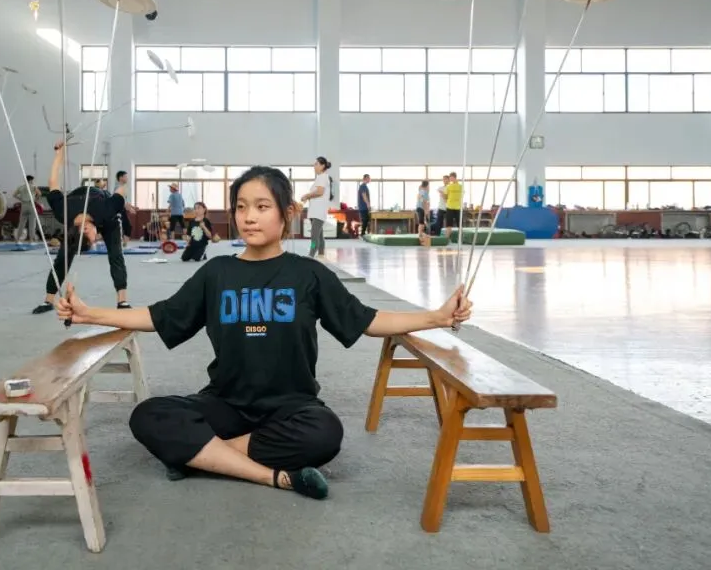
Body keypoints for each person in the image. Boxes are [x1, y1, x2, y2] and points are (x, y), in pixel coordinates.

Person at [55, 166, 473, 501]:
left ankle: (201, 455)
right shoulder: (217, 273)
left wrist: (437, 317)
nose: (249, 217)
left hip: (291, 406)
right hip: (226, 403)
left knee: (325, 434)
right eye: (241, 207)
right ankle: (276, 477)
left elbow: (366, 320)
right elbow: (161, 316)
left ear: (286, 212)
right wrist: (89, 314)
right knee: (148, 416)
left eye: (261, 206)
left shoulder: (308, 274)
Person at [32, 141, 130, 317]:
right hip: (88, 206)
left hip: (107, 215)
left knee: (116, 254)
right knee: (63, 258)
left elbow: (122, 189)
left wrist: (59, 154)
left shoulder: (99, 210)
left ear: (84, 229)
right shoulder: (65, 216)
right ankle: (48, 300)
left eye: (93, 238)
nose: (97, 238)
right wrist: (59, 154)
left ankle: (122, 301)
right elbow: (53, 182)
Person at [300, 156, 333, 259]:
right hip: (316, 211)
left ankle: (311, 254)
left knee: (314, 236)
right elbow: (317, 192)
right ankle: (321, 254)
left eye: (316, 164)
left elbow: (320, 192)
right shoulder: (321, 177)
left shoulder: (322, 177)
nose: (314, 166)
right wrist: (307, 197)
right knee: (319, 235)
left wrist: (307, 195)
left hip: (318, 212)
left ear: (322, 166)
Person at [14, 175, 40, 242]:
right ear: (30, 180)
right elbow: (39, 194)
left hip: (24, 205)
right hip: (31, 205)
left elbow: (14, 195)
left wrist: (21, 199)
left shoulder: (20, 187)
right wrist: (35, 200)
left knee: (21, 224)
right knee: (32, 224)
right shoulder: (33, 187)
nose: (33, 182)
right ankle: (31, 240)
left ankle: (17, 239)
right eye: (32, 180)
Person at [114, 170, 136, 240]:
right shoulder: (119, 188)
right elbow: (121, 202)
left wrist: (132, 207)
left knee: (126, 228)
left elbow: (124, 201)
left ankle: (123, 244)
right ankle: (123, 245)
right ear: (121, 178)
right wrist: (130, 209)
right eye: (125, 177)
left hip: (121, 210)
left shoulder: (122, 187)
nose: (127, 178)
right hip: (119, 211)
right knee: (127, 228)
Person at [443, 172, 463, 236]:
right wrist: (447, 201)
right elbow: (445, 196)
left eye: (451, 177)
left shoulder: (461, 186)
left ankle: (461, 238)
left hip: (458, 207)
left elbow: (462, 195)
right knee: (449, 224)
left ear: (454, 177)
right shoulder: (448, 186)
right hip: (450, 207)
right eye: (450, 178)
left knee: (459, 224)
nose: (450, 179)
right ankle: (447, 237)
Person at [357, 173, 371, 238]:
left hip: (364, 206)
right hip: (363, 207)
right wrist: (368, 205)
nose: (370, 179)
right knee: (365, 220)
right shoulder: (363, 186)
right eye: (369, 178)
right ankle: (362, 234)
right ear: (366, 178)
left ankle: (363, 233)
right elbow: (364, 196)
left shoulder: (364, 186)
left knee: (366, 220)